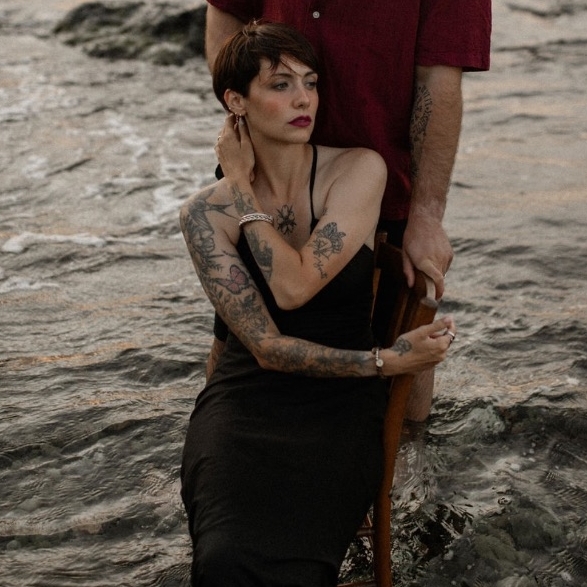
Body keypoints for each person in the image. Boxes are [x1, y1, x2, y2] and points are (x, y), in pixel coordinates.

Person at [180, 22, 456, 586]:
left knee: (298, 567)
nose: (304, 98)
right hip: (246, 402)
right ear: (236, 101)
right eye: (280, 85)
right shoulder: (203, 213)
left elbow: (297, 284)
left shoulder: (358, 170)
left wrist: (377, 367)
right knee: (223, 559)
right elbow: (265, 346)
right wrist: (385, 362)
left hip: (338, 410)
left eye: (310, 83)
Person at [203, 0, 491, 421]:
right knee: (233, 345)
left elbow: (439, 79)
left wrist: (427, 215)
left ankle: (406, 462)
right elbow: (226, 17)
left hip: (382, 183)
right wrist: (248, 120)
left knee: (403, 358)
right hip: (266, 174)